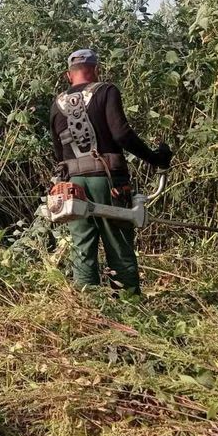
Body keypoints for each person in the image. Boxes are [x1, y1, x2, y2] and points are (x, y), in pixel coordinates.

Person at [50, 49, 172, 294]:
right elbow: (121, 135)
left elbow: (57, 151)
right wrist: (155, 158)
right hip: (108, 182)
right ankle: (128, 303)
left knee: (82, 247)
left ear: (68, 75)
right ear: (96, 69)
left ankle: (89, 306)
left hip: (73, 185)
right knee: (118, 244)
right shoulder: (106, 91)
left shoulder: (57, 103)